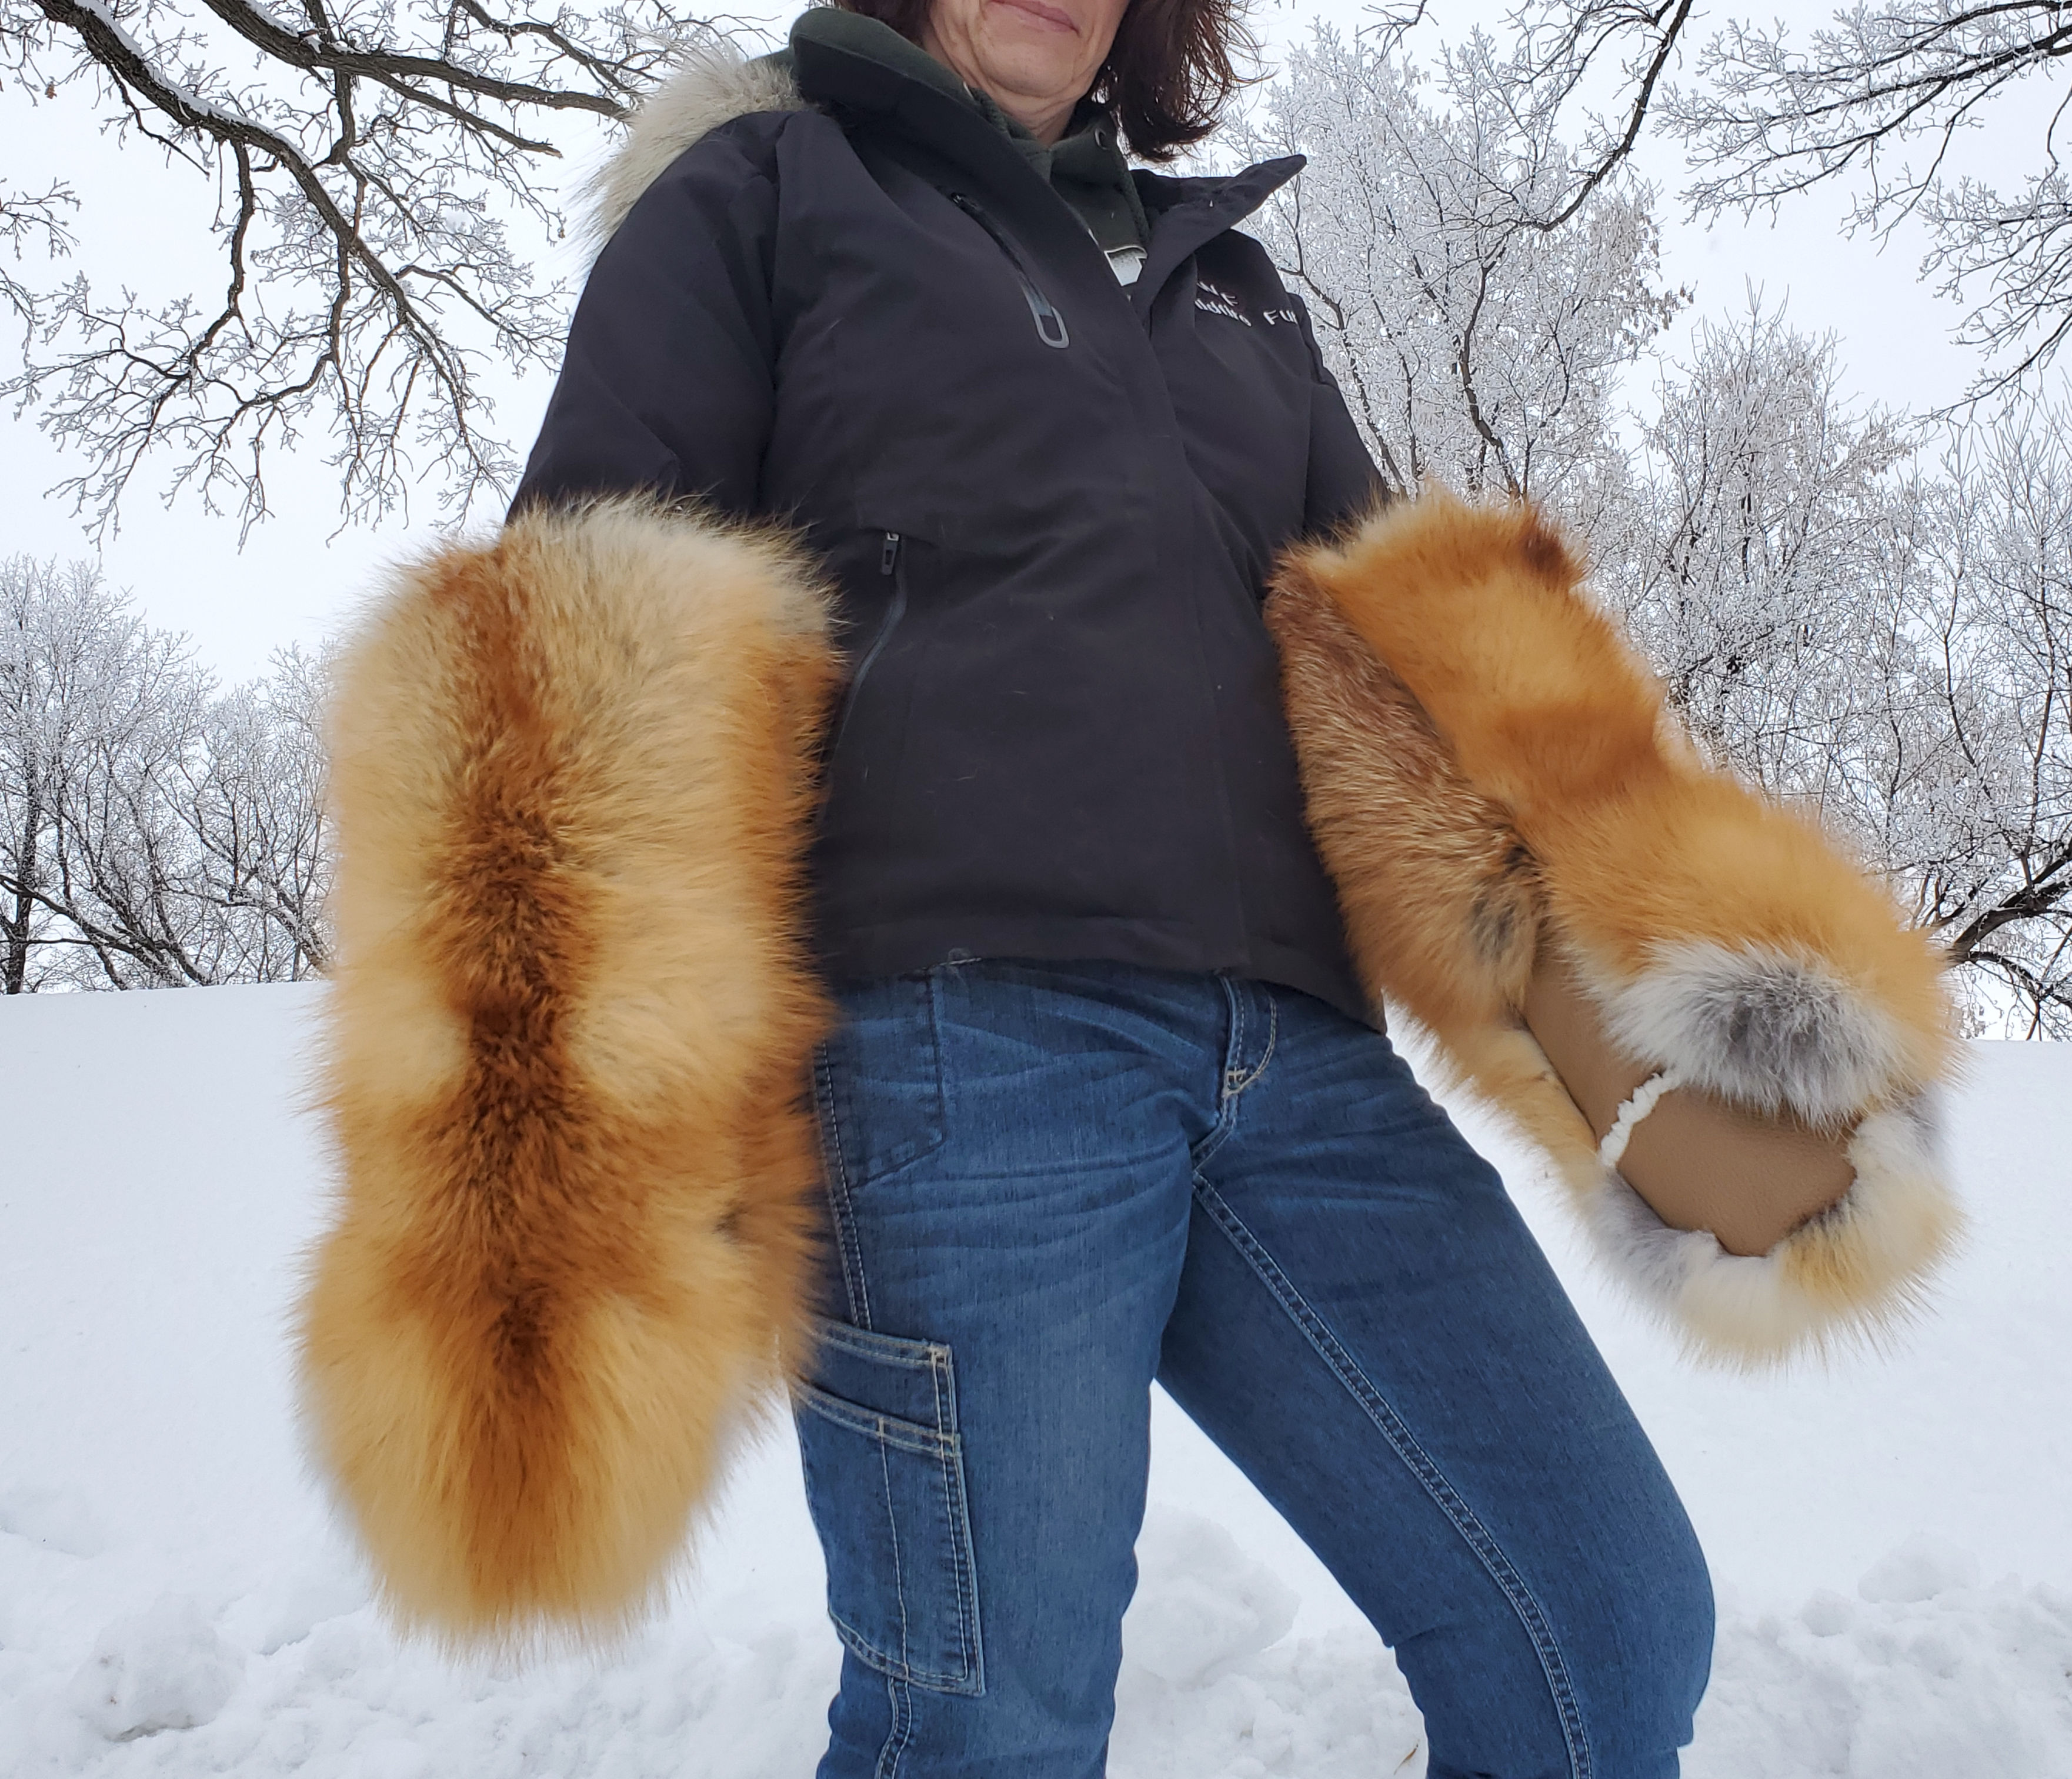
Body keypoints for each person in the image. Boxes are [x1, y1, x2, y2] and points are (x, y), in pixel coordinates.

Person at [506, 0, 1717, 1771]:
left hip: (1300, 1068)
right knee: (988, 1724)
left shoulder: (1236, 284)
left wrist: (1664, 962)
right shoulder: (773, 186)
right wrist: (575, 1101)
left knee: (1602, 1635)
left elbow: (1400, 658)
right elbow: (588, 610)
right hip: (958, 1045)